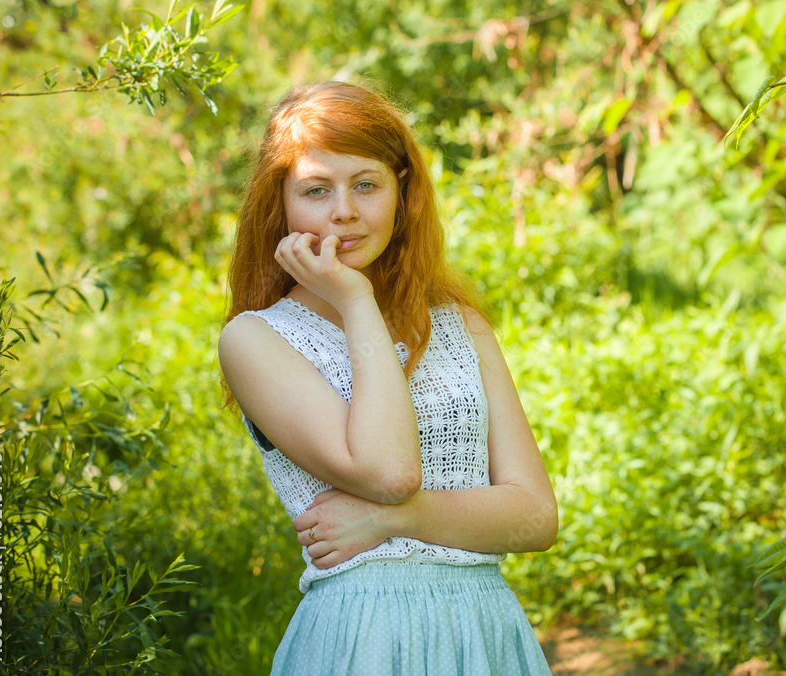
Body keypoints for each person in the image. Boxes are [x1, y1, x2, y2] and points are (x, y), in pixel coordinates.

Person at [217, 80, 558, 675]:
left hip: (483, 629)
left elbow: (535, 518)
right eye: (316, 190)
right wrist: (355, 301)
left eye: (366, 184)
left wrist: (398, 520)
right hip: (363, 632)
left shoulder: (461, 326)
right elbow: (389, 471)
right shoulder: (257, 340)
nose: (344, 211)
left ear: (403, 192)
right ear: (281, 205)